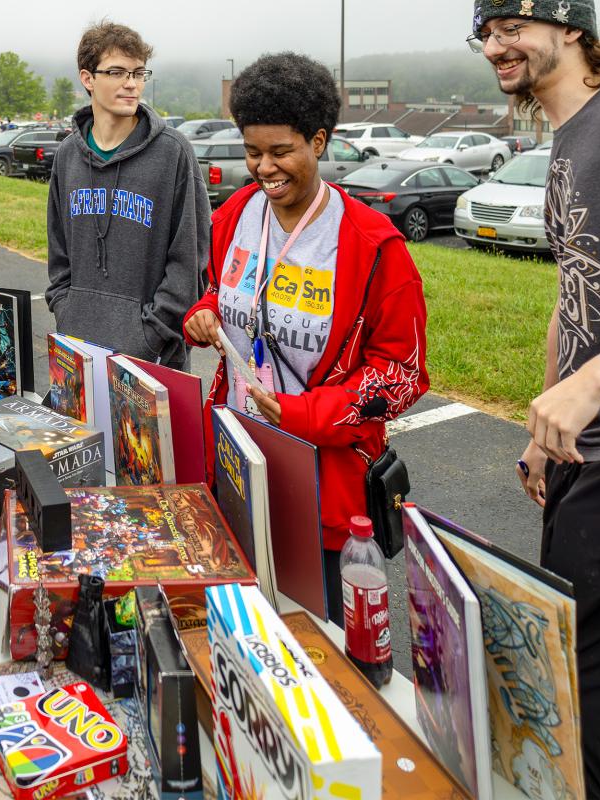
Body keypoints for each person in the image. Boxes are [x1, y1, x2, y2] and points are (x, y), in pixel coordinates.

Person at [182, 52, 428, 625]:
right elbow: (223, 289)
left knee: (319, 642)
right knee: (243, 623)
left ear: (319, 141)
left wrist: (308, 415)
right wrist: (205, 312)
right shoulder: (237, 214)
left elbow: (403, 373)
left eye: (280, 151)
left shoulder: (373, 245)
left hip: (325, 484)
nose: (263, 168)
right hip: (236, 459)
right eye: (252, 151)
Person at [472, 1, 600, 792]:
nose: (496, 45)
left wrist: (597, 378)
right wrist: (544, 414)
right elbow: (573, 291)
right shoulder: (566, 140)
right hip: (579, 450)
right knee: (573, 665)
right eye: (485, 33)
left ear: (572, 27)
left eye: (511, 26)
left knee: (587, 677)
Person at [45, 21, 209, 369]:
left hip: (152, 359)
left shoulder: (173, 152)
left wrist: (150, 336)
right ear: (88, 78)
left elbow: (190, 260)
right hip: (79, 347)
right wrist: (66, 311)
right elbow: (59, 251)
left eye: (138, 73)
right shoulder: (68, 155)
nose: (132, 83)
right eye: (117, 72)